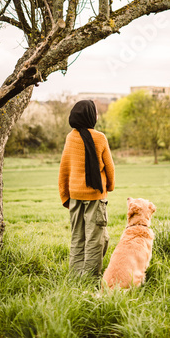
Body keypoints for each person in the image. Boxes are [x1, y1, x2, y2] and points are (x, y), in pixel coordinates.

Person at [58, 99, 115, 277]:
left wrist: (65, 195)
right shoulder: (100, 138)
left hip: (74, 195)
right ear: (90, 116)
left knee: (77, 238)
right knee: (95, 240)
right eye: (95, 112)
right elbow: (109, 167)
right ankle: (90, 281)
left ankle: (76, 277)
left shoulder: (70, 137)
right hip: (95, 197)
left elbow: (64, 168)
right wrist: (109, 187)